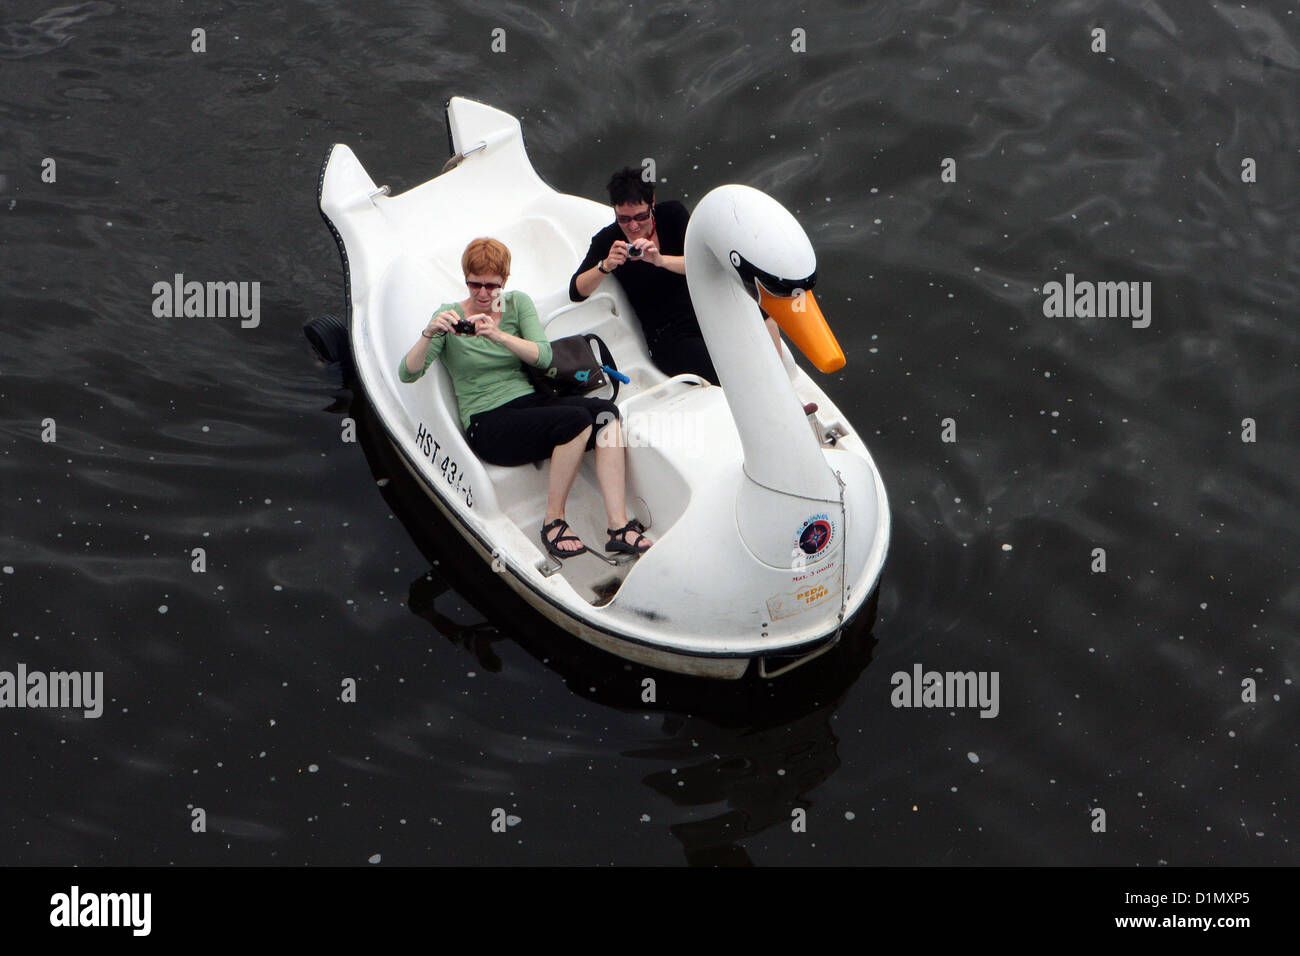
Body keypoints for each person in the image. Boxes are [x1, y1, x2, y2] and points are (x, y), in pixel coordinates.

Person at [399, 238, 651, 560]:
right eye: (475, 284)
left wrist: (497, 334)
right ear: (466, 279)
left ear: (504, 282)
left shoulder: (517, 304)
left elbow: (544, 357)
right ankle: (553, 521)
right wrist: (430, 333)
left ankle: (617, 525)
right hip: (487, 422)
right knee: (575, 422)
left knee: (606, 413)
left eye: (492, 286)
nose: (483, 293)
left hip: (530, 405)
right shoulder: (448, 315)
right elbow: (408, 373)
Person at [569, 167, 784, 384]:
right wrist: (604, 266)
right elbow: (576, 291)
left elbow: (703, 263)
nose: (633, 225)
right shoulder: (608, 240)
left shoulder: (671, 215)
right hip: (670, 334)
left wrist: (660, 261)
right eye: (623, 219)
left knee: (762, 315)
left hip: (704, 308)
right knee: (729, 370)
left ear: (652, 203)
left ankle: (780, 379)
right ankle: (766, 388)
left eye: (640, 216)